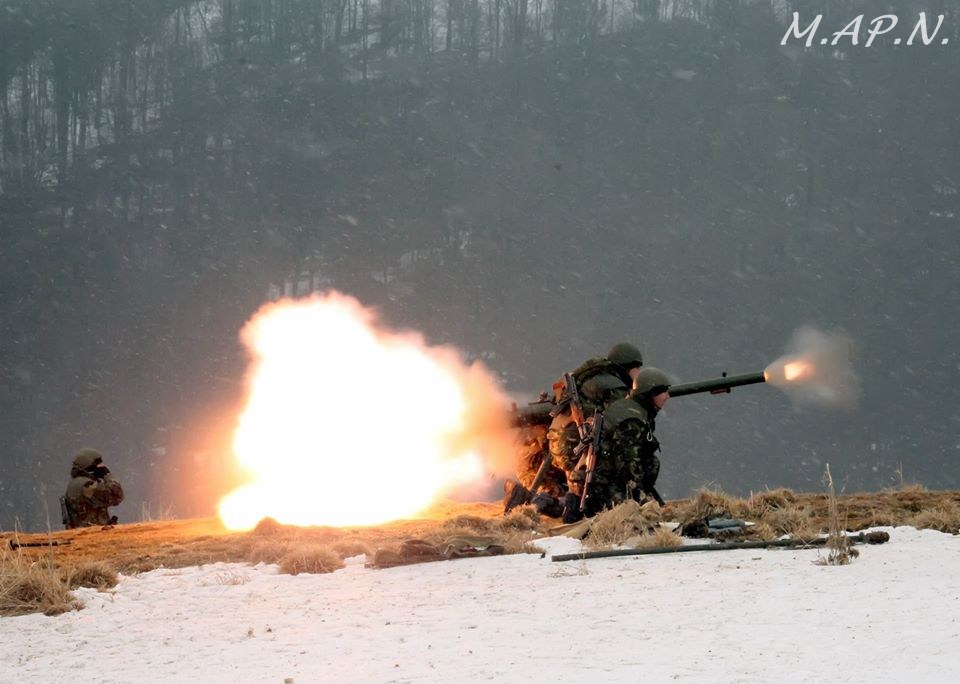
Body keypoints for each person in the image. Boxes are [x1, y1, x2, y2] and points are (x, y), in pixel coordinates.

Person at [546, 342, 645, 521]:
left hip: (559, 445)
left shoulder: (590, 378)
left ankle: (559, 502)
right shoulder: (615, 386)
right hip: (578, 447)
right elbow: (623, 423)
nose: (639, 374)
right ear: (627, 366)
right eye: (637, 368)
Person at [575, 367, 671, 519]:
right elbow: (629, 469)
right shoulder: (631, 421)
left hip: (600, 481)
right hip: (601, 487)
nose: (667, 396)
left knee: (651, 463)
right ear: (650, 393)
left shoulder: (628, 408)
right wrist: (643, 501)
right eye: (663, 391)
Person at [63, 448, 124, 528]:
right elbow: (117, 495)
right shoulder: (86, 485)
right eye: (98, 465)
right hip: (91, 532)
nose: (101, 467)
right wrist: (107, 475)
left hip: (87, 530)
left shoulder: (77, 483)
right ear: (90, 466)